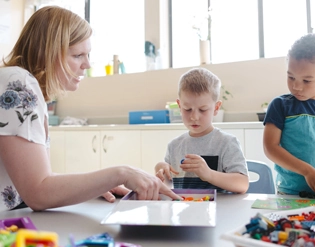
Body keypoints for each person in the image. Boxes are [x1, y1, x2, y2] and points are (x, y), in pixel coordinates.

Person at [0, 6, 181, 212]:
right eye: (78, 55)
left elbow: (36, 180)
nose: (86, 64)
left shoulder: (22, 84)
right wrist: (121, 173)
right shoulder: (19, 82)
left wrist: (97, 184)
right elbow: (38, 193)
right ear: (47, 53)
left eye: (87, 55)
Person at [263, 33, 315, 199]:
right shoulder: (280, 105)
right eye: (291, 77)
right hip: (290, 194)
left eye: (307, 81)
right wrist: (307, 171)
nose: (296, 86)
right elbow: (270, 148)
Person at [155, 68, 249, 193]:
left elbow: (242, 184)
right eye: (187, 109)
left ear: (216, 108)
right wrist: (161, 170)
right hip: (184, 210)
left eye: (203, 110)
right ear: (179, 106)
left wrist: (209, 174)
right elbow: (168, 187)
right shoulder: (174, 146)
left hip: (219, 211)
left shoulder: (226, 143)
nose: (194, 117)